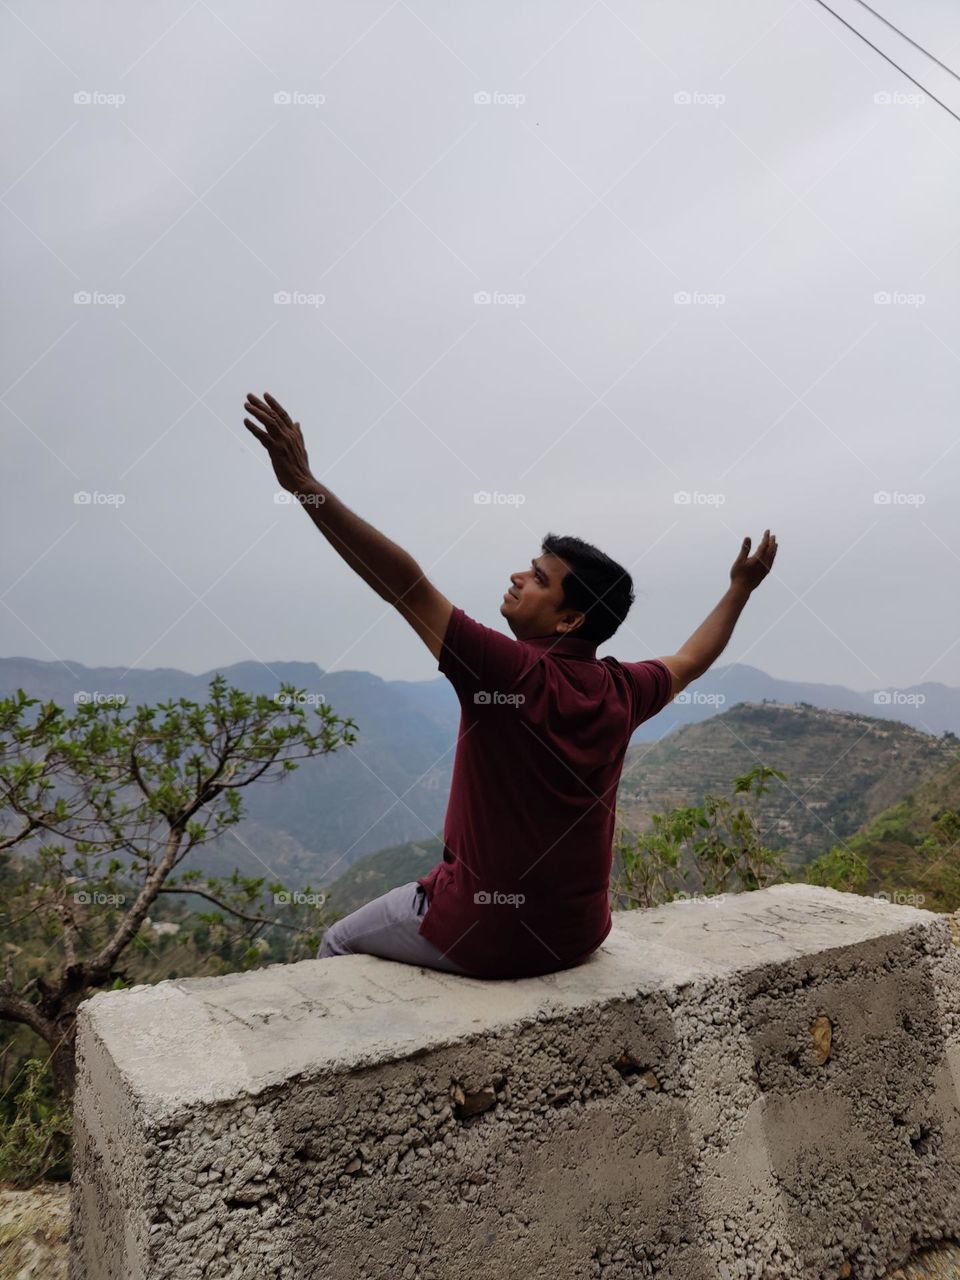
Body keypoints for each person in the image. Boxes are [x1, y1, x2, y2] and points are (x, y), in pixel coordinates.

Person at [243, 391, 778, 979]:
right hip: (578, 934)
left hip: (485, 937)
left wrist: (304, 486)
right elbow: (693, 659)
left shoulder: (507, 671)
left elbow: (406, 584)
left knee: (336, 946)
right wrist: (740, 590)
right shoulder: (622, 689)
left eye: (539, 578)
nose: (518, 576)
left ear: (570, 618)